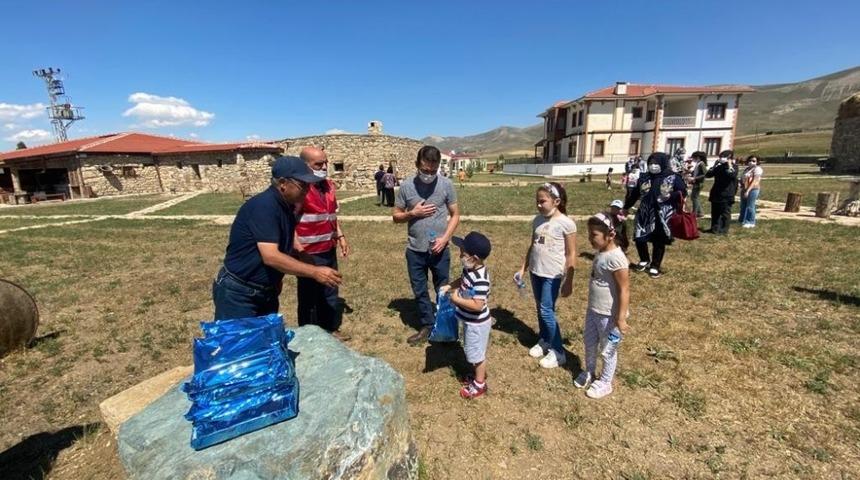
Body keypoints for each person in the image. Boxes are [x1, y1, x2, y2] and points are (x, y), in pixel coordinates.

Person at [212, 156, 342, 320]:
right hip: (240, 294)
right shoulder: (265, 206)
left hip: (266, 290)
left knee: (264, 343)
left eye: (309, 185)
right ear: (282, 184)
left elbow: (283, 238)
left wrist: (300, 252)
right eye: (302, 185)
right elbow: (271, 256)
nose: (307, 190)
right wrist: (315, 272)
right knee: (239, 344)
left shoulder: (287, 205)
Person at [393, 146, 461, 345]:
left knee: (443, 287)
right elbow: (396, 216)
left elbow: (455, 214)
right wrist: (411, 214)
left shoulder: (446, 184)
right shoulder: (406, 187)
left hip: (440, 249)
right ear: (417, 165)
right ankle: (427, 325)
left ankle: (445, 325)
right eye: (425, 170)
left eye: (433, 170)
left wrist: (445, 238)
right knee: (420, 289)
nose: (429, 174)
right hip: (415, 250)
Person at [515, 182, 576, 369]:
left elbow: (571, 253)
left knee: (546, 310)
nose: (539, 205)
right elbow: (532, 245)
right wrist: (523, 268)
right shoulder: (537, 220)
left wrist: (569, 280)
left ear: (556, 201)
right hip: (536, 271)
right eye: (537, 201)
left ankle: (558, 351)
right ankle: (545, 339)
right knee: (540, 307)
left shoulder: (566, 224)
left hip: (553, 274)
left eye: (543, 201)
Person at [294, 147, 350, 341]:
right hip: (308, 253)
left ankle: (329, 329)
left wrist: (341, 237)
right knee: (309, 296)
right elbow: (290, 223)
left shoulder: (328, 185)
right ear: (305, 166)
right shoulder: (300, 189)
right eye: (318, 164)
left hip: (328, 248)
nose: (324, 167)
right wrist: (299, 250)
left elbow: (331, 215)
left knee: (330, 290)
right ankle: (309, 337)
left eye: (326, 162)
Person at [573, 213, 630, 399]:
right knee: (589, 343)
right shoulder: (601, 253)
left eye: (594, 235)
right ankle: (589, 371)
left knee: (608, 350)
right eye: (589, 234)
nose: (590, 239)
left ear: (610, 235)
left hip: (609, 316)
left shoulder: (617, 258)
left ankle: (606, 382)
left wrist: (620, 318)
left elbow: (624, 290)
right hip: (593, 310)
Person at [439, 231, 493, 399]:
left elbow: (478, 305)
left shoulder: (481, 279)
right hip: (469, 321)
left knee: (477, 355)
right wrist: (450, 286)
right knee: (472, 350)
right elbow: (461, 281)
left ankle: (479, 384)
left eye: (463, 252)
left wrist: (456, 299)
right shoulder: (468, 270)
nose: (460, 254)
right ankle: (476, 375)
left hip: (477, 323)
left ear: (474, 258)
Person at [622, 152, 687, 279]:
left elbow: (682, 192)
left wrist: (670, 196)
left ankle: (655, 265)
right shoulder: (644, 177)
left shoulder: (673, 177)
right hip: (645, 212)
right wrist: (626, 207)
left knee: (658, 240)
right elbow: (634, 194)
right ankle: (644, 259)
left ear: (663, 163)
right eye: (651, 163)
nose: (653, 166)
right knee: (640, 237)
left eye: (656, 163)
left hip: (663, 214)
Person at [706, 150, 738, 235]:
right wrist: (714, 165)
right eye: (720, 157)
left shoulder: (734, 167)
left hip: (727, 194)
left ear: (730, 158)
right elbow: (708, 175)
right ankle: (714, 228)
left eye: (724, 157)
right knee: (715, 212)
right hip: (716, 193)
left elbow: (732, 175)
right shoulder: (719, 167)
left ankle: (724, 230)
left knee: (725, 213)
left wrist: (729, 165)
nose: (721, 158)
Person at [739, 155, 764, 228]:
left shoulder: (757, 169)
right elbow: (742, 179)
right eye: (750, 160)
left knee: (750, 206)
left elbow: (754, 180)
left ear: (757, 162)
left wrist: (748, 191)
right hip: (744, 188)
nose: (751, 162)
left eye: (754, 161)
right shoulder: (746, 169)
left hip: (753, 189)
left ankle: (750, 221)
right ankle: (742, 219)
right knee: (743, 205)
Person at [689, 151, 708, 218]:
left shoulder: (701, 164)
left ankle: (695, 213)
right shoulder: (698, 163)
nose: (693, 159)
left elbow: (704, 174)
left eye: (694, 158)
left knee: (694, 197)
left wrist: (695, 178)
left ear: (698, 157)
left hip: (699, 183)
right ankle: (700, 212)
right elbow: (696, 172)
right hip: (696, 182)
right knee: (694, 197)